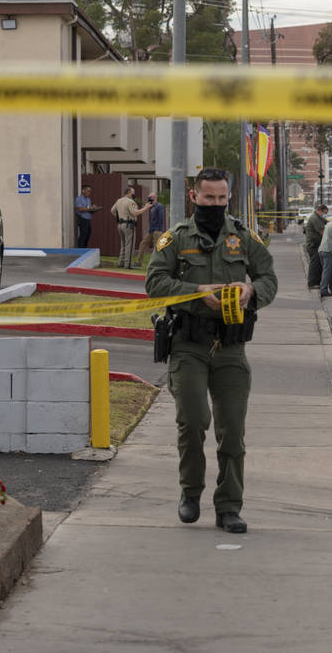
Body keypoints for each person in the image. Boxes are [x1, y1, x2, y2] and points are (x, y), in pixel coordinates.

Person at [146, 167, 278, 534]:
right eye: (209, 198)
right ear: (194, 196)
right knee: (193, 421)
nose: (215, 204)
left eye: (221, 199)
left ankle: (229, 506)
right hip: (189, 345)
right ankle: (190, 493)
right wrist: (197, 292)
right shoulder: (176, 238)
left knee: (232, 430)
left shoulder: (243, 236)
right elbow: (154, 282)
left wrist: (253, 293)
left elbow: (269, 277)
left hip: (231, 347)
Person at [111, 186, 152, 269]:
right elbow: (135, 213)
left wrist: (120, 217)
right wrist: (145, 208)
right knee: (129, 244)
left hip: (120, 224)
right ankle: (128, 264)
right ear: (129, 193)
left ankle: (121, 262)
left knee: (123, 244)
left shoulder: (119, 200)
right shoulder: (130, 202)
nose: (134, 194)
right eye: (133, 192)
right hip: (129, 225)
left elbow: (112, 211)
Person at [134, 192, 166, 266]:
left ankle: (157, 263)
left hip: (157, 230)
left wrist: (157, 229)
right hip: (151, 230)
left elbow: (161, 219)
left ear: (154, 198)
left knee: (157, 246)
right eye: (148, 197)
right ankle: (139, 262)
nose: (149, 199)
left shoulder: (159, 206)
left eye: (150, 197)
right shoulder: (152, 207)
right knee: (142, 244)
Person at [303, 203, 328, 288]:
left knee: (317, 264)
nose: (324, 215)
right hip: (313, 245)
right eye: (324, 213)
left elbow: (327, 223)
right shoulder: (314, 219)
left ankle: (316, 282)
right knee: (315, 264)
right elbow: (322, 232)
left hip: (316, 244)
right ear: (320, 211)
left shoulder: (318, 217)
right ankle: (312, 283)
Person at [73, 183, 101, 249]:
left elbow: (88, 208)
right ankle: (80, 250)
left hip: (88, 219)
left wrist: (93, 208)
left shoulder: (88, 199)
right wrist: (89, 209)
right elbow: (79, 209)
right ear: (83, 191)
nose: (89, 193)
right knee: (83, 235)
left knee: (88, 234)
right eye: (88, 191)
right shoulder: (79, 199)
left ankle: (84, 249)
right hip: (82, 219)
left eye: (90, 191)